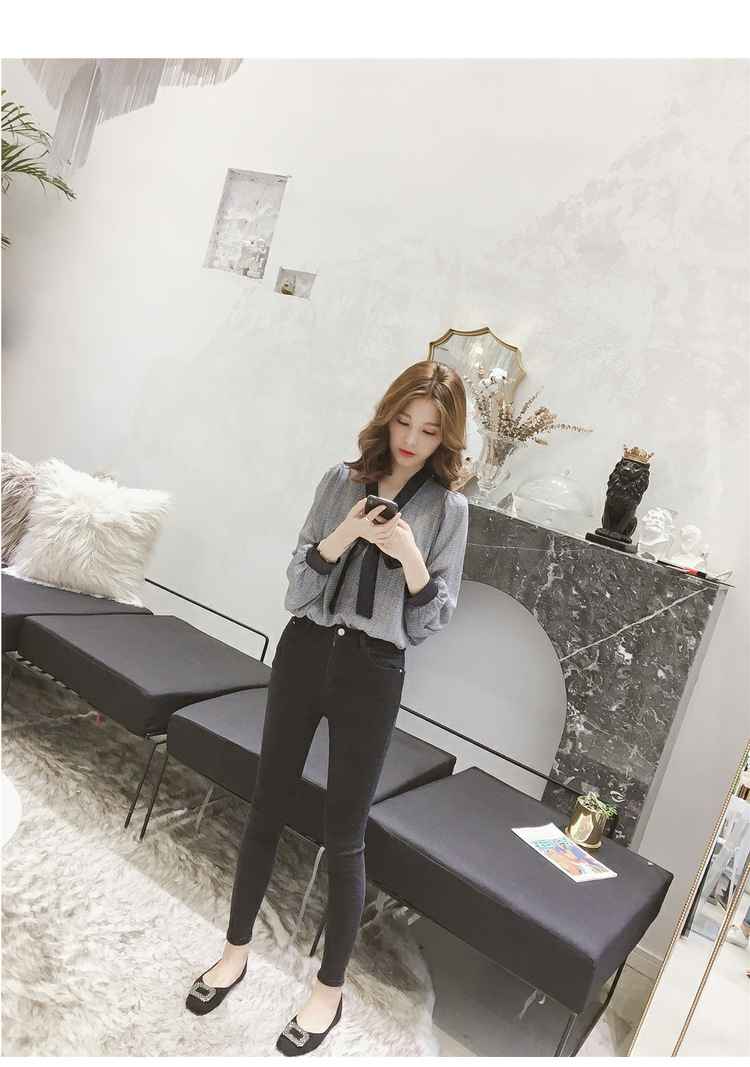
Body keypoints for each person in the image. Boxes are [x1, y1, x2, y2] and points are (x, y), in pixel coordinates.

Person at [185, 360, 470, 1055]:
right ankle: (234, 951)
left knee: (345, 835)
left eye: (430, 430)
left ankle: (328, 992)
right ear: (388, 415)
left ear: (446, 437)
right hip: (306, 650)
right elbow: (296, 589)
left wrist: (410, 557)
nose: (411, 439)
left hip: (373, 671)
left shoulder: (449, 511)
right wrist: (344, 535)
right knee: (266, 806)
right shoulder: (339, 481)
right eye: (403, 421)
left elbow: (431, 622)